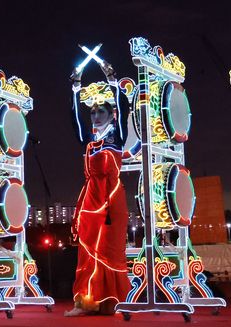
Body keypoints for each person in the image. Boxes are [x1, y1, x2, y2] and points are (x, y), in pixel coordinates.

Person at [64, 62, 131, 317]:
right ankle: (84, 302)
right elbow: (74, 119)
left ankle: (112, 301)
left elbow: (123, 107)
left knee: (110, 250)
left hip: (112, 198)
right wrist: (75, 86)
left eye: (101, 111)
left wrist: (112, 79)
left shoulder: (118, 136)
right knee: (87, 250)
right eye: (92, 113)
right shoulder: (89, 140)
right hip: (91, 197)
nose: (96, 116)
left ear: (110, 114)